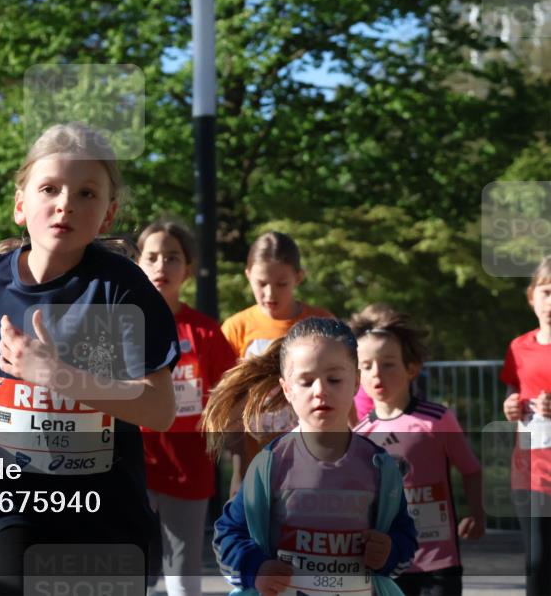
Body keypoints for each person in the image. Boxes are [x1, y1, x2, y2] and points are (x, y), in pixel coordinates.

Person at [0, 122, 180, 596]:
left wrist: (56, 375)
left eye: (87, 193)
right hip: (15, 507)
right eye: (49, 188)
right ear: (20, 204)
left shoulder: (121, 287)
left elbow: (160, 409)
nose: (66, 203)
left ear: (107, 215)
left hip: (108, 514)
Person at [207, 317, 417, 596]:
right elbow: (228, 534)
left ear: (355, 383)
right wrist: (256, 568)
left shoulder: (379, 466)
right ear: (287, 390)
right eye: (306, 382)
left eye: (334, 379)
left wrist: (390, 551)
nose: (320, 391)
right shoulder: (271, 464)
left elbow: (405, 539)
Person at [351, 304, 484, 595]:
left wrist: (477, 513)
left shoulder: (437, 420)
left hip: (438, 563)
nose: (377, 373)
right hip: (388, 564)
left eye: (388, 364)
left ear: (411, 369)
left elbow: (471, 469)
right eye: (366, 366)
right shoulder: (360, 434)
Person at [136, 220, 237, 596]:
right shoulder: (120, 325)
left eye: (172, 257)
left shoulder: (206, 332)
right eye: (152, 257)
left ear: (188, 269)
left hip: (188, 466)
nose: (161, 265)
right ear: (137, 264)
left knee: (182, 572)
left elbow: (229, 395)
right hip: (133, 463)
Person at [220, 232, 333, 498]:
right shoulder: (235, 328)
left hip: (314, 458)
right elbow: (230, 404)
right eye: (261, 283)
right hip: (257, 462)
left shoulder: (323, 322)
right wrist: (237, 469)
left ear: (298, 277)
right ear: (248, 275)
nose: (270, 293)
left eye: (281, 283)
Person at [500, 255, 551, 596]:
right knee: (537, 561)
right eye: (546, 292)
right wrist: (509, 406)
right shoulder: (519, 347)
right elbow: (512, 394)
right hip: (530, 472)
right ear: (532, 297)